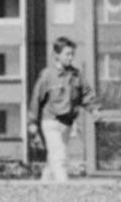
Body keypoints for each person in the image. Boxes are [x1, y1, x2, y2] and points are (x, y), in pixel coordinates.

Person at [29, 37, 95, 182]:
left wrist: (94, 109)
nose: (71, 57)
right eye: (67, 54)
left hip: (67, 123)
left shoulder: (76, 75)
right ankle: (64, 189)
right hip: (50, 121)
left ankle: (43, 186)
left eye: (72, 54)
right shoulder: (47, 75)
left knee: (53, 156)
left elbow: (86, 95)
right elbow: (36, 98)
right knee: (59, 155)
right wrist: (32, 122)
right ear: (56, 55)